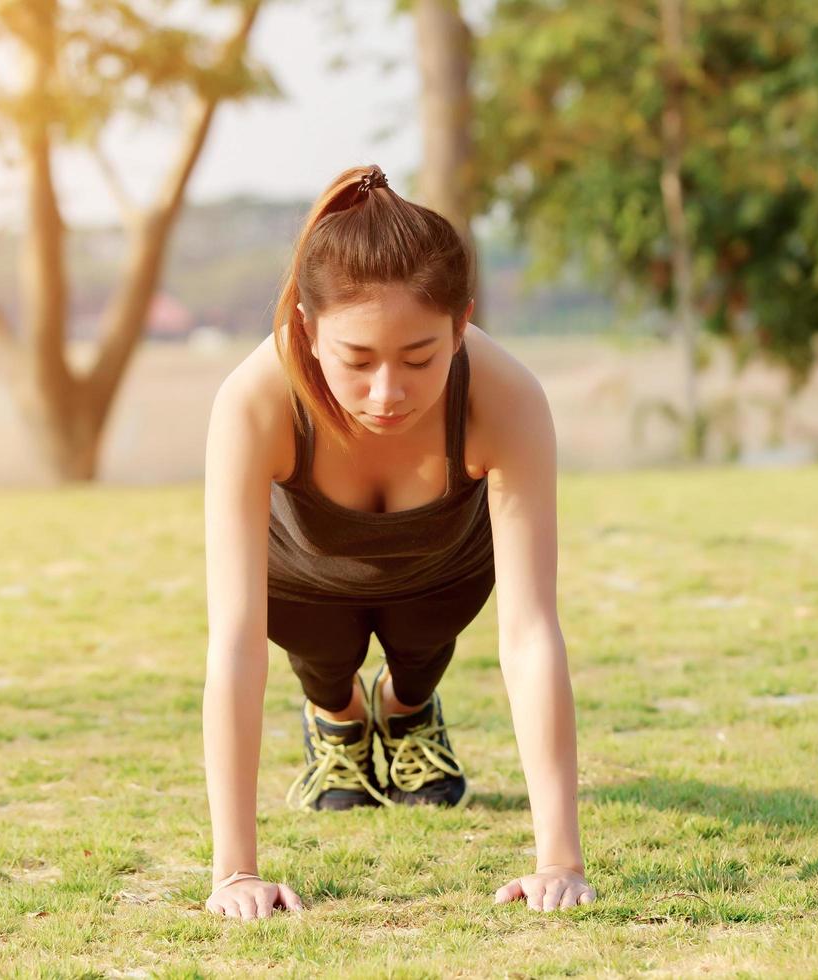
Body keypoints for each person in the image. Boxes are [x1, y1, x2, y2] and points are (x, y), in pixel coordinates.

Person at [201, 165, 594, 921]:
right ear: (309, 331)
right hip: (302, 583)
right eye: (357, 360)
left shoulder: (505, 396)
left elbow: (531, 628)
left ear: (461, 322)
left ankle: (407, 709)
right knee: (322, 660)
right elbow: (236, 641)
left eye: (420, 358)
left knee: (421, 653)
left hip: (440, 571)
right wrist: (234, 874)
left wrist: (559, 859)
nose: (389, 392)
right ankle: (342, 720)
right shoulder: (254, 398)